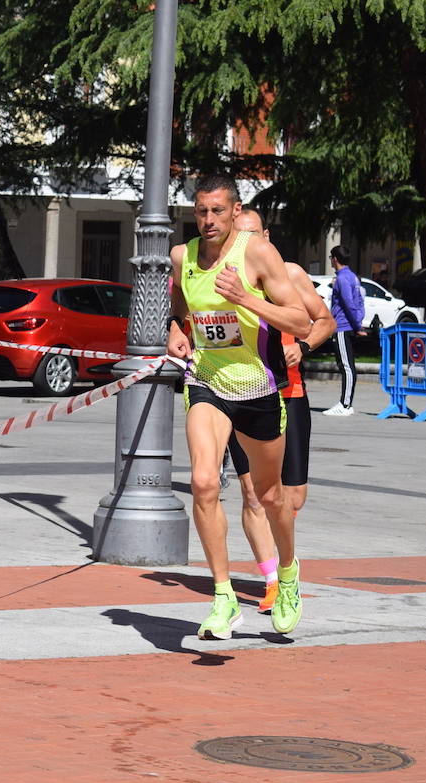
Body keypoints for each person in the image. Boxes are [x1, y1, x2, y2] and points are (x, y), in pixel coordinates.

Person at [166, 175, 312, 640]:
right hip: (207, 382)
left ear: (234, 210)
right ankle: (224, 596)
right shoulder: (183, 256)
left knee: (271, 497)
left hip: (258, 388)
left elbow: (301, 321)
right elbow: (180, 302)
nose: (208, 220)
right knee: (204, 482)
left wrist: (245, 298)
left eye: (217, 211)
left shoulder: (257, 253)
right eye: (201, 211)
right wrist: (177, 328)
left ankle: (287, 575)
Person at [222, 207, 336, 613]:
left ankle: (286, 561)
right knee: (252, 493)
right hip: (242, 394)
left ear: (267, 236)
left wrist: (301, 347)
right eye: (239, 236)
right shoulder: (223, 277)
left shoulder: (291, 275)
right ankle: (273, 581)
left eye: (254, 235)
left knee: (292, 496)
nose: (247, 244)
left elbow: (325, 321)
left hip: (290, 393)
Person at [323, 244, 366, 416]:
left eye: (330, 258)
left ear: (334, 259)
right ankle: (347, 403)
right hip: (347, 325)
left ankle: (345, 405)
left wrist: (357, 326)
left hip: (342, 326)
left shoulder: (342, 279)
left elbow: (349, 303)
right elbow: (359, 301)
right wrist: (358, 322)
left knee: (346, 366)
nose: (331, 261)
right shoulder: (353, 277)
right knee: (348, 365)